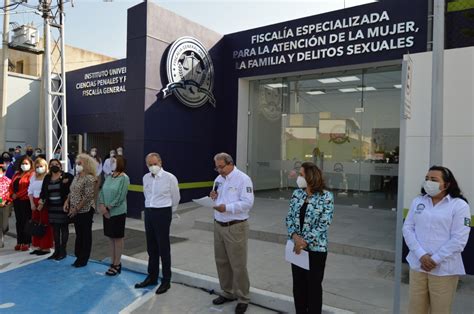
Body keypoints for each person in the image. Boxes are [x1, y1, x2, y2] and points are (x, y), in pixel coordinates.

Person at [403, 165, 471, 314]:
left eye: (434, 179)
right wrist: (421, 255)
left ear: (447, 184)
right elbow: (407, 228)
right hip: (418, 265)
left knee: (440, 310)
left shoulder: (459, 205)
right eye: (427, 179)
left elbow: (459, 239)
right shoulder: (418, 201)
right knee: (415, 309)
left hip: (444, 270)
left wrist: (435, 259)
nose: (428, 182)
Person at [285, 162, 334, 314]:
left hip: (316, 249)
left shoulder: (326, 196)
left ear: (310, 176)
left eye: (301, 174)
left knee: (313, 286)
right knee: (298, 285)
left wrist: (304, 241)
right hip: (296, 248)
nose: (298, 177)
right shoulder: (297, 194)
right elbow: (289, 218)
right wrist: (295, 237)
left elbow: (324, 223)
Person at [209, 152, 254, 314]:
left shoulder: (243, 179)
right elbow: (216, 198)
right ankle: (228, 292)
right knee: (221, 261)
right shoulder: (218, 179)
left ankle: (243, 297)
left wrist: (226, 208)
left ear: (230, 163)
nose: (219, 170)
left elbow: (248, 203)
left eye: (221, 167)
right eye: (217, 167)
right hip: (219, 225)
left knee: (238, 264)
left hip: (235, 226)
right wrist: (213, 197)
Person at [135, 152, 180, 294]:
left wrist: (169, 213)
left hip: (163, 212)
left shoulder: (169, 178)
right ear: (146, 165)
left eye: (155, 164)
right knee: (151, 247)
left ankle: (166, 280)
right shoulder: (145, 178)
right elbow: (146, 194)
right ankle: (152, 277)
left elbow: (176, 197)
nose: (153, 166)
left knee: (163, 248)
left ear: (160, 163)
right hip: (149, 212)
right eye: (150, 164)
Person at [98, 155, 129, 276]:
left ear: (120, 163)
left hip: (117, 212)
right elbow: (102, 191)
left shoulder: (124, 178)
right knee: (110, 238)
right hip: (106, 212)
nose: (111, 163)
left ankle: (117, 263)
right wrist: (101, 205)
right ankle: (112, 261)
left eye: (114, 162)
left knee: (117, 238)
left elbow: (121, 197)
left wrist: (108, 208)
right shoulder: (109, 176)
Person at [64, 153, 97, 267]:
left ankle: (83, 258)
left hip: (85, 210)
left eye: (79, 163)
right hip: (75, 209)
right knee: (79, 234)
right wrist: (67, 202)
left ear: (86, 164)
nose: (77, 165)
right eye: (77, 163)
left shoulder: (89, 178)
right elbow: (71, 191)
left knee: (85, 234)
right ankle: (78, 255)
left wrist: (76, 208)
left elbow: (88, 196)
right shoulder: (77, 176)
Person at [39, 159, 74, 260]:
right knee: (55, 229)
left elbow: (73, 187)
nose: (54, 166)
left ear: (60, 166)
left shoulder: (67, 176)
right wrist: (42, 200)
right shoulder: (47, 177)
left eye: (56, 164)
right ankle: (56, 250)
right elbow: (43, 191)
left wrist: (67, 182)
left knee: (63, 228)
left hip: (63, 206)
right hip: (52, 207)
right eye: (52, 164)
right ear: (49, 167)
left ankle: (63, 251)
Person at [28, 158, 54, 255]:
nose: (39, 168)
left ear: (45, 167)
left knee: (44, 224)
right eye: (37, 166)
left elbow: (47, 191)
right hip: (34, 202)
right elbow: (30, 191)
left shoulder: (48, 177)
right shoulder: (33, 176)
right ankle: (38, 245)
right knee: (35, 224)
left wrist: (42, 203)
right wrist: (32, 203)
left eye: (41, 166)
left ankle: (46, 247)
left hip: (44, 202)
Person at [9, 156, 34, 251]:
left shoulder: (32, 174)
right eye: (23, 163)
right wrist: (12, 194)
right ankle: (19, 241)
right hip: (16, 201)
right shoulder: (16, 174)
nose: (24, 165)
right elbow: (11, 186)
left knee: (26, 221)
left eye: (26, 163)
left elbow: (29, 188)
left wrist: (18, 195)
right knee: (18, 221)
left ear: (30, 164)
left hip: (26, 201)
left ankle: (27, 242)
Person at [0, 164, 12, 248]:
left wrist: (5, 200)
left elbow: (11, 192)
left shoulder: (8, 181)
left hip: (6, 204)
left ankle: (3, 232)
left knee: (4, 225)